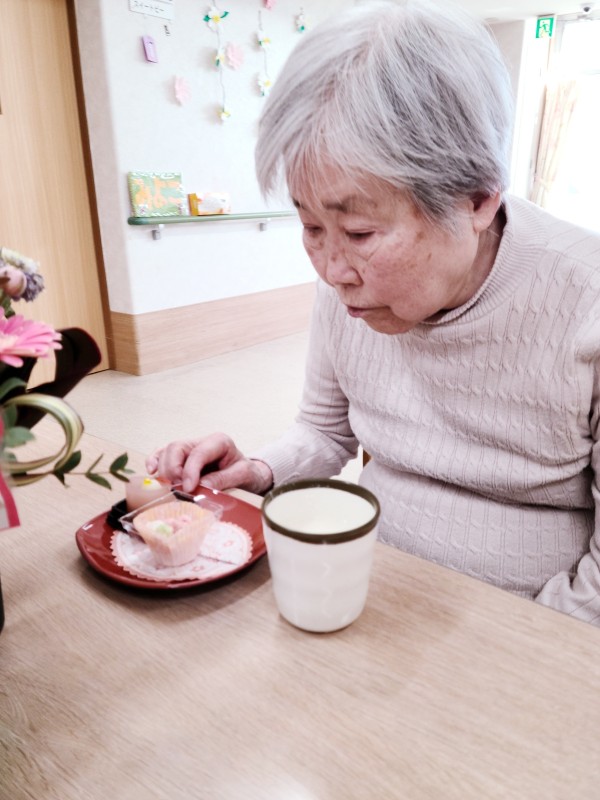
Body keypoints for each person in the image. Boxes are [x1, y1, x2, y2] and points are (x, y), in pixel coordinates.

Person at [147, 0, 600, 624]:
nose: (333, 271)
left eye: (360, 232)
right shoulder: (351, 287)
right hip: (359, 580)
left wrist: (523, 642)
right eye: (311, 227)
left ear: (477, 199)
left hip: (529, 620)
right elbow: (326, 431)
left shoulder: (585, 297)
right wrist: (256, 471)